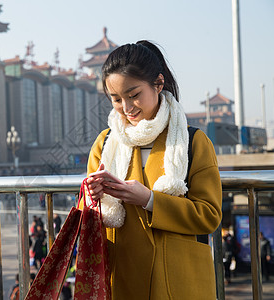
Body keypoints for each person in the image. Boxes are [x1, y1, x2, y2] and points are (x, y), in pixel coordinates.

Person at [85, 40, 222, 299]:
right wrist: (92, 196)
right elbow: (88, 215)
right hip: (120, 276)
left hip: (175, 280)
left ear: (158, 84)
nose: (127, 108)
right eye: (116, 99)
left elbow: (209, 215)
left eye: (134, 95)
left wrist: (149, 200)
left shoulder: (193, 141)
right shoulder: (105, 143)